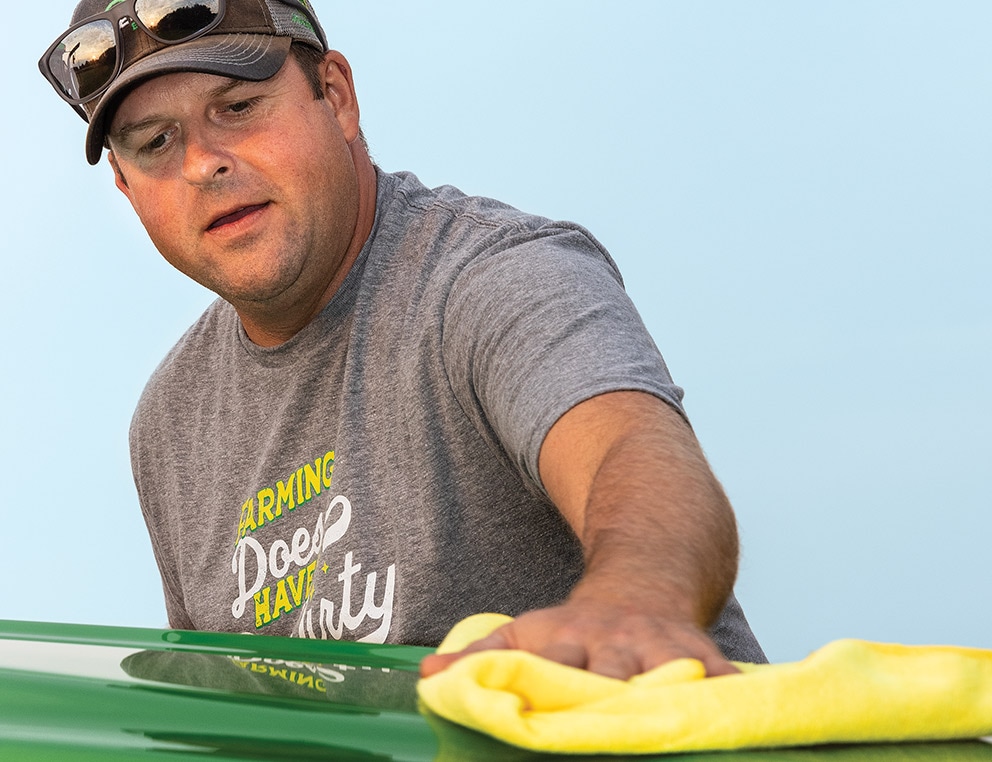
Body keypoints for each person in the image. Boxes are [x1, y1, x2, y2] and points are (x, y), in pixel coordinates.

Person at [41, 0, 767, 679]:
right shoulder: (170, 424)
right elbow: (225, 715)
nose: (203, 163)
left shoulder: (491, 277)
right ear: (127, 189)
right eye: (155, 142)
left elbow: (631, 451)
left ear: (337, 94)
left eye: (236, 108)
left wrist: (636, 602)